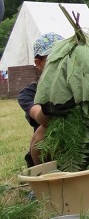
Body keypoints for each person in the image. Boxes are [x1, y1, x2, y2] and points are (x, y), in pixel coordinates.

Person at [17, 32, 64, 166]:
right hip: (46, 151)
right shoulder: (29, 93)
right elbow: (39, 115)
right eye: (52, 59)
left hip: (77, 148)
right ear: (39, 63)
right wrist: (48, 110)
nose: (59, 63)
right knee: (43, 131)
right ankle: (44, 178)